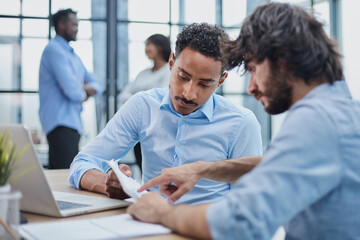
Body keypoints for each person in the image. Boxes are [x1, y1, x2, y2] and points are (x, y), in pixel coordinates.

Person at [127, 3, 360, 240]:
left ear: (283, 60)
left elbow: (239, 224)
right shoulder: (344, 114)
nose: (251, 88)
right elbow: (278, 164)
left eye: (253, 69)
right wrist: (202, 169)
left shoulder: (316, 122)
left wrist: (162, 213)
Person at [69, 23, 262, 205]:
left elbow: (249, 203)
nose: (188, 93)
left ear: (221, 81)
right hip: (149, 226)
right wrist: (108, 184)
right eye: (182, 77)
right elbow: (82, 163)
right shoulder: (142, 106)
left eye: (204, 84)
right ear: (171, 63)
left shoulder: (241, 123)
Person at [39, 8, 101, 169]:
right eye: (73, 24)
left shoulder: (73, 55)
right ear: (61, 25)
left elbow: (97, 85)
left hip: (72, 124)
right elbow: (73, 92)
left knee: (61, 177)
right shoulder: (54, 50)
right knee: (66, 176)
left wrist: (83, 88)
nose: (77, 28)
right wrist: (83, 89)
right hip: (60, 123)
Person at [118, 34, 172, 172]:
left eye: (149, 45)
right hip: (139, 128)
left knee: (158, 169)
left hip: (157, 130)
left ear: (160, 47)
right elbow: (123, 95)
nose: (146, 49)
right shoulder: (143, 74)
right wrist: (143, 99)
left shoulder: (168, 71)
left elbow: (163, 98)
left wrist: (137, 98)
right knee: (142, 167)